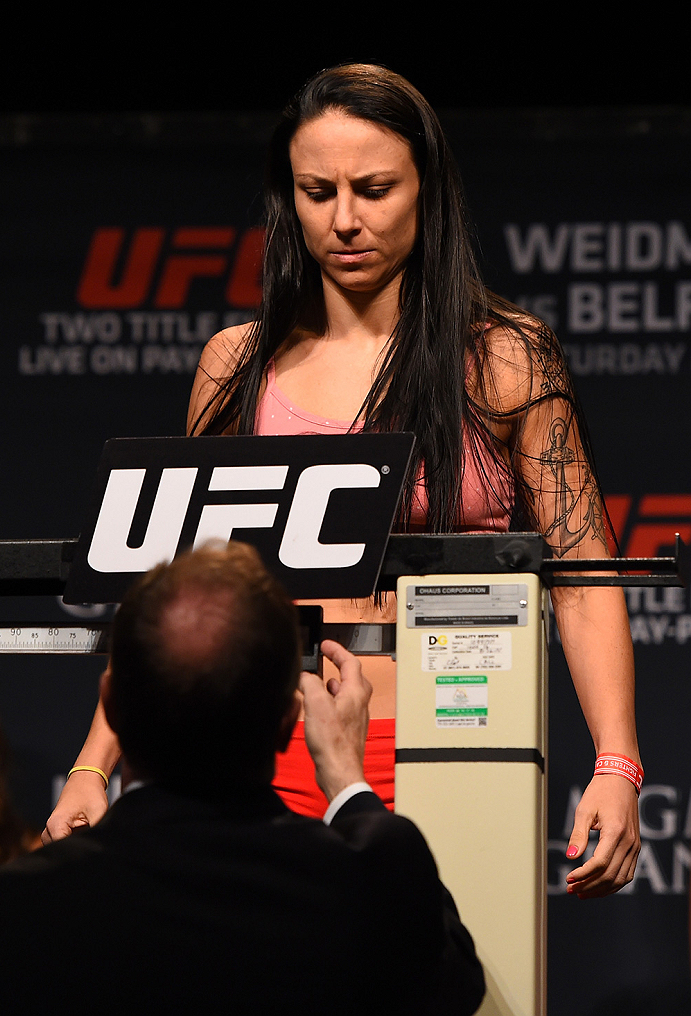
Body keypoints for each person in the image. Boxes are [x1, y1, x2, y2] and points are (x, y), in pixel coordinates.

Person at [44, 62, 642, 900]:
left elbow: (583, 576)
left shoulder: (505, 357)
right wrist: (91, 767)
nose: (346, 219)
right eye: (317, 191)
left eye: (375, 188)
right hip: (262, 752)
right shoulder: (237, 367)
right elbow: (178, 600)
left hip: (468, 738)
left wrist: (617, 763)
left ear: (426, 191)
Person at [0, 542, 485, 1016]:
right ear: (287, 718)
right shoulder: (364, 897)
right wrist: (347, 784)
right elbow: (452, 987)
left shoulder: (26, 909)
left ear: (112, 703)